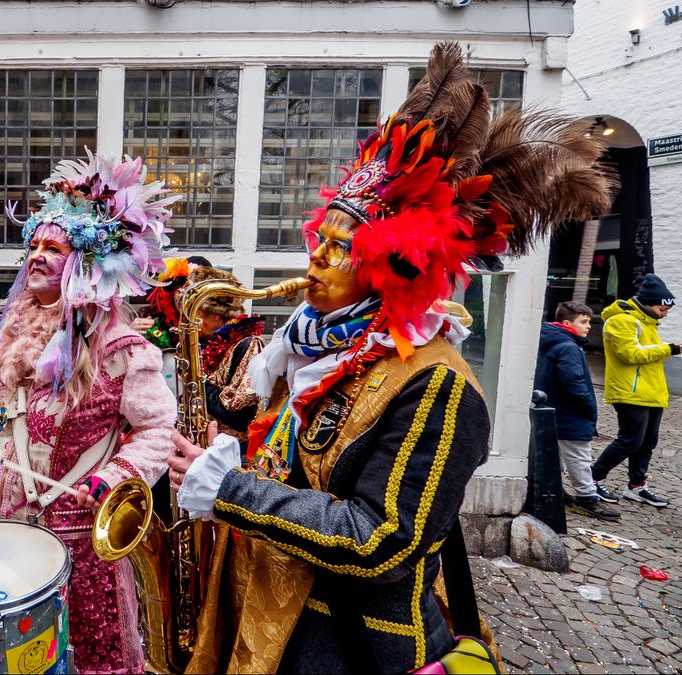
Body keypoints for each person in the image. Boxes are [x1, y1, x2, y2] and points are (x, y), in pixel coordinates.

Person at [167, 42, 613, 674]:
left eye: (342, 248)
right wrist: (233, 447)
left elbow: (383, 540)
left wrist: (232, 491)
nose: (316, 258)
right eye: (320, 238)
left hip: (340, 647)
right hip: (265, 616)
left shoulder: (438, 386)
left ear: (392, 266)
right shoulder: (310, 347)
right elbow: (304, 465)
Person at [0, 152, 177, 675]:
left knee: (88, 660)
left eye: (52, 248)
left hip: (82, 552)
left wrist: (115, 479)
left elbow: (157, 431)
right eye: (32, 245)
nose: (35, 256)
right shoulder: (13, 338)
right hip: (9, 535)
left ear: (84, 265)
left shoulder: (123, 349)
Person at [590, 273, 679, 508]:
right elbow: (630, 355)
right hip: (630, 392)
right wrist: (670, 348)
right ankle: (594, 477)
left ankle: (637, 486)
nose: (665, 314)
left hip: (651, 393)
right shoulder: (622, 321)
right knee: (630, 441)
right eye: (662, 309)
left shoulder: (648, 322)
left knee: (648, 442)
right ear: (648, 304)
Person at [534, 301, 618, 521]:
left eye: (589, 321)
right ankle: (587, 498)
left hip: (554, 409)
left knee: (557, 455)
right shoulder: (568, 346)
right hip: (570, 413)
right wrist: (589, 407)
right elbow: (573, 382)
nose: (589, 326)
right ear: (566, 323)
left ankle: (557, 491)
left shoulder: (552, 341)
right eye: (584, 321)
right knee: (579, 456)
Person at [184, 265, 266, 442]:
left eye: (196, 313)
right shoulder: (204, 343)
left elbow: (239, 417)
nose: (191, 320)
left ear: (215, 315)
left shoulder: (248, 345)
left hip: (229, 455)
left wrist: (195, 380)